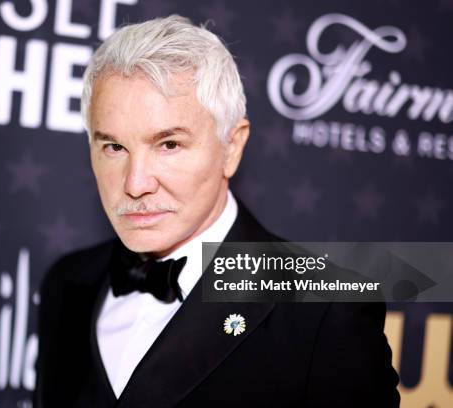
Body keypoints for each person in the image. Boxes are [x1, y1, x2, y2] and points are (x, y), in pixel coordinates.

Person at [33, 15, 400, 408]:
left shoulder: (326, 311)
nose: (135, 184)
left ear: (232, 148)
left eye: (169, 145)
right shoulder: (69, 282)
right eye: (113, 147)